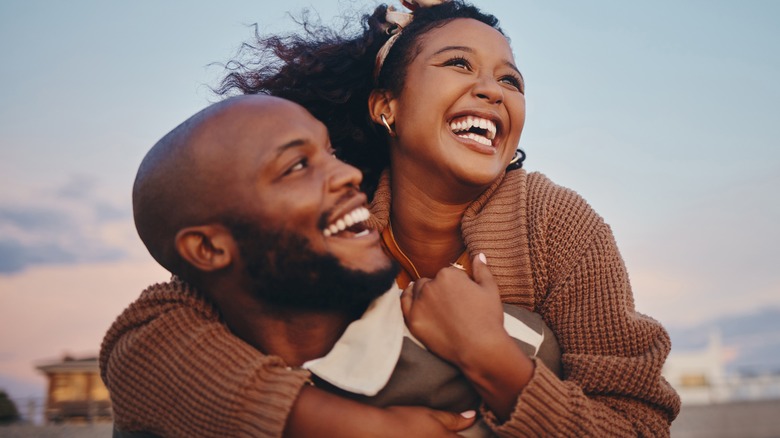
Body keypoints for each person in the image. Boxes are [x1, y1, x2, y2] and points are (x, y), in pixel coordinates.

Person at [102, 0, 681, 436]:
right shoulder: (335, 211)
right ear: (387, 107)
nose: (492, 90)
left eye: (511, 80)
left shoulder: (557, 225)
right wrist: (353, 426)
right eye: (459, 63)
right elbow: (144, 343)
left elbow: (639, 421)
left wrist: (492, 358)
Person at [103, 93, 562, 437]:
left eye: (332, 154)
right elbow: (134, 344)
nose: (348, 175)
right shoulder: (170, 389)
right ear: (207, 249)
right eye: (297, 166)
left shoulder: (513, 346)